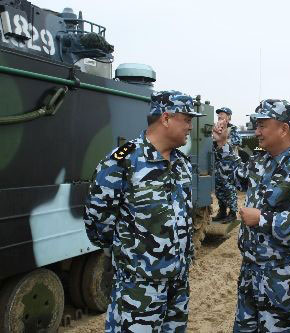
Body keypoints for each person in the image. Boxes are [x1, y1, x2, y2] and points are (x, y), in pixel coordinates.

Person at [84, 90, 205, 332]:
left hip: (177, 283)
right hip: (139, 286)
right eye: (187, 119)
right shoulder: (123, 160)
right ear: (166, 118)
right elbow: (98, 218)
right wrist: (126, 253)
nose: (191, 127)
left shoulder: (181, 163)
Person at [213, 99, 290, 332]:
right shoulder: (260, 160)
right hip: (250, 271)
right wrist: (224, 144)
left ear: (284, 128)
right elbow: (236, 178)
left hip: (282, 279)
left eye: (263, 125)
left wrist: (263, 219)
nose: (257, 131)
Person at [213, 107, 242, 223]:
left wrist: (224, 141)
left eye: (222, 114)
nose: (219, 116)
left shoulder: (233, 128)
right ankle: (222, 211)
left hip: (230, 163)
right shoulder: (216, 129)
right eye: (218, 114)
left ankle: (233, 213)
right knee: (218, 186)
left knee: (228, 187)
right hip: (218, 162)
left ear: (228, 117)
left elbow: (238, 141)